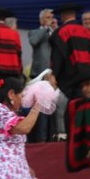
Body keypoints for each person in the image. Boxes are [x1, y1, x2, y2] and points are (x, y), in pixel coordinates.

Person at [49, 2, 90, 140]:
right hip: (86, 76)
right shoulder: (85, 31)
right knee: (85, 106)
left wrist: (54, 75)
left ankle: (69, 136)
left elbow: (57, 58)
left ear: (63, 16)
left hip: (68, 77)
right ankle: (86, 134)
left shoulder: (60, 32)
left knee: (68, 108)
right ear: (75, 15)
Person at [28, 8, 57, 143]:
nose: (50, 19)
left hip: (56, 76)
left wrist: (55, 29)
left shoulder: (56, 32)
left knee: (57, 108)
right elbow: (34, 41)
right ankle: (41, 140)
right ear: (41, 19)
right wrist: (45, 27)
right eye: (47, 17)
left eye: (51, 17)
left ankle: (56, 137)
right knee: (41, 109)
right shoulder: (34, 32)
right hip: (40, 76)